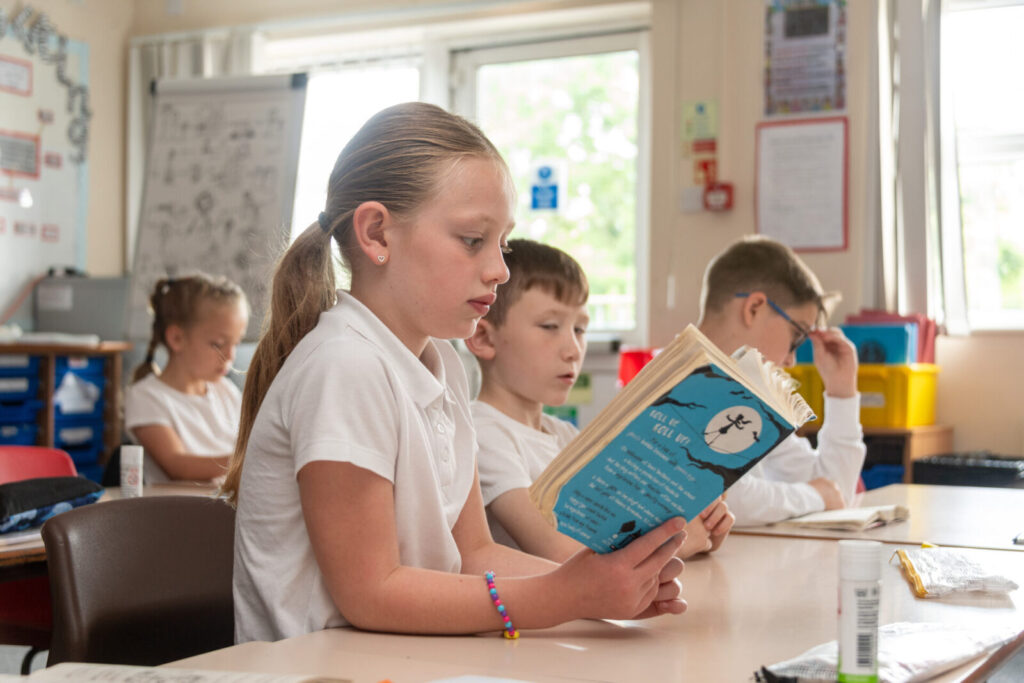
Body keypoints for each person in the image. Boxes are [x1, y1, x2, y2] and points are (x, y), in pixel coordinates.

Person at [222, 102, 686, 644]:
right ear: (376, 234)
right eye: (473, 241)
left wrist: (606, 583)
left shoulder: (446, 367)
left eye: (502, 244)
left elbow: (474, 554)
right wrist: (566, 595)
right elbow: (372, 590)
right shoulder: (344, 366)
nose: (500, 269)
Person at [466, 238, 733, 562]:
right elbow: (561, 553)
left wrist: (701, 528)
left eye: (579, 329)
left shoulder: (564, 435)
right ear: (483, 337)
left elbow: (617, 530)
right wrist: (674, 543)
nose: (573, 350)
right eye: (550, 326)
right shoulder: (483, 433)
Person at [695, 235, 866, 526]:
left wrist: (841, 393)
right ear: (754, 309)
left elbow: (835, 492)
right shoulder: (686, 385)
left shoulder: (751, 392)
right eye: (797, 335)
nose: (791, 360)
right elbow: (728, 500)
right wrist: (814, 496)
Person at [125, 274, 248, 484]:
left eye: (236, 343)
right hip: (181, 513)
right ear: (177, 338)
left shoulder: (227, 391)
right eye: (219, 344)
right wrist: (248, 461)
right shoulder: (146, 397)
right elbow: (177, 466)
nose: (231, 356)